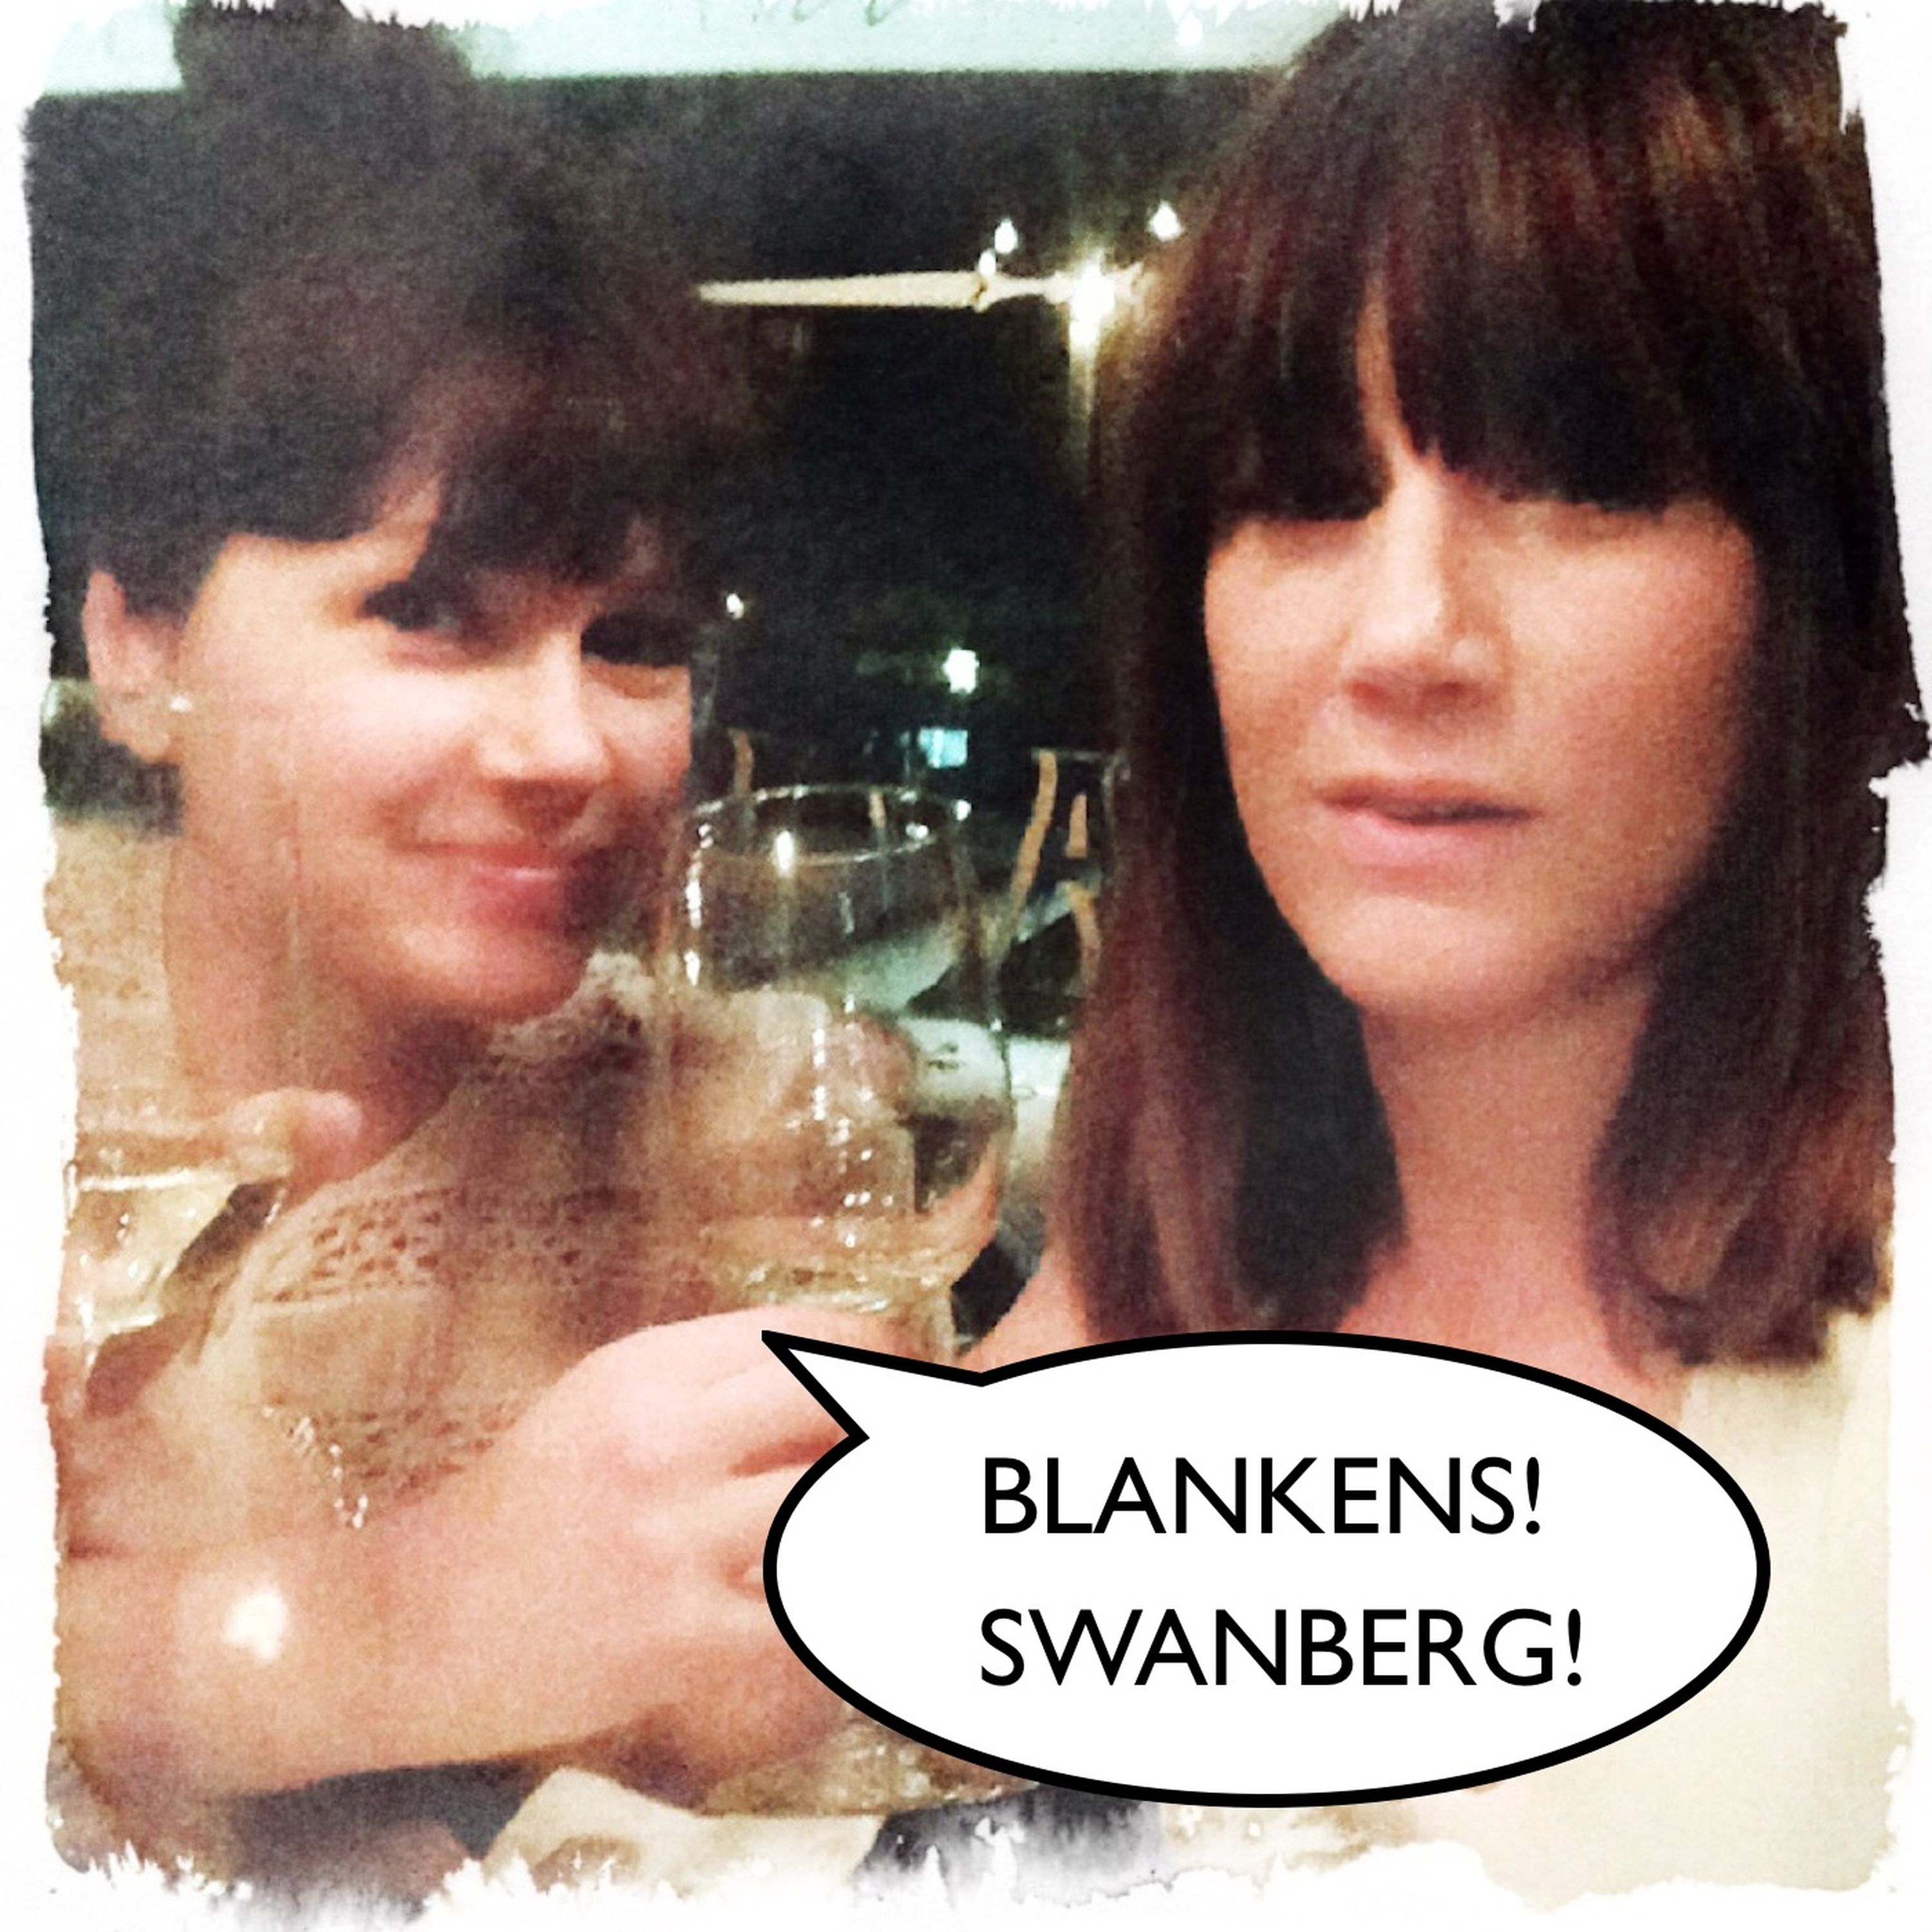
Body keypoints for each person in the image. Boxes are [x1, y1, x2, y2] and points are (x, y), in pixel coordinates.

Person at [984, 0, 1917, 1898]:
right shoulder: (1171, 1264)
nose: (1405, 636)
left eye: (1582, 477)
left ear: (1832, 590)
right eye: (1305, 491)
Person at [41, 1, 880, 1890]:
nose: (565, 749)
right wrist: (388, 1628)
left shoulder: (752, 1138)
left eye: (634, 640)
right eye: (429, 610)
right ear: (139, 648)